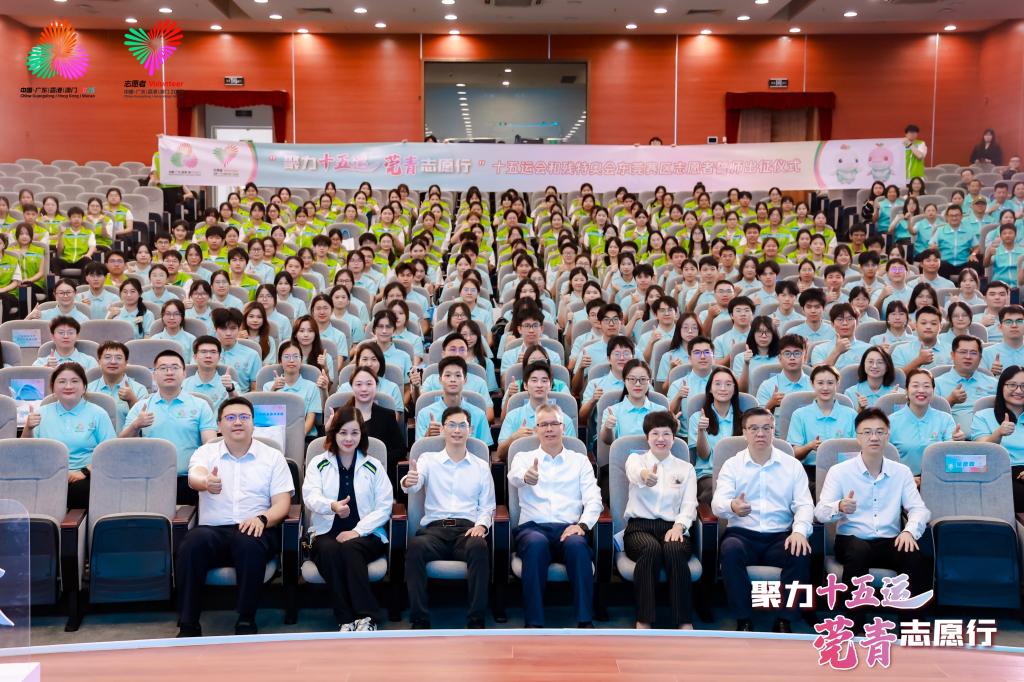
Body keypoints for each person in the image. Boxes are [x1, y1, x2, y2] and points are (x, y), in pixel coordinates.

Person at [176, 397, 293, 637]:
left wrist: (262, 519)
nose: (237, 422)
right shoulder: (206, 452)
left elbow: (282, 503)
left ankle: (246, 619)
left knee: (248, 542)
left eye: (243, 417)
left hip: (256, 527)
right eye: (230, 418)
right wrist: (206, 482)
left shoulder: (273, 457)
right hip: (213, 530)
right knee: (191, 543)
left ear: (253, 423)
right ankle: (188, 623)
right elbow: (195, 475)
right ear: (219, 425)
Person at [814, 408, 932, 632]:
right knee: (858, 551)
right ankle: (854, 623)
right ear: (857, 437)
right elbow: (820, 512)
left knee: (914, 555)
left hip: (889, 540)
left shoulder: (901, 472)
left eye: (880, 432)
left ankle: (912, 627)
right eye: (867, 432)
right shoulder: (840, 472)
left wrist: (909, 531)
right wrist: (839, 506)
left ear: (888, 435)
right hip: (851, 539)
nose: (874, 437)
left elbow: (919, 509)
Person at [712, 407, 813, 632]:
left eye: (766, 428)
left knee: (800, 551)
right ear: (744, 432)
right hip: (742, 534)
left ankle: (785, 620)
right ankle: (743, 619)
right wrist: (732, 505)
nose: (760, 433)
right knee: (730, 550)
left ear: (773, 431)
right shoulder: (732, 465)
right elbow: (718, 503)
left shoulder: (792, 465)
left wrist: (799, 531)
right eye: (754, 428)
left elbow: (805, 504)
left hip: (780, 536)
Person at [507, 403, 602, 628]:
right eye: (543, 425)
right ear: (536, 429)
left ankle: (584, 621)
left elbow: (594, 499)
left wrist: (582, 525)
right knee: (536, 544)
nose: (549, 429)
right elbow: (514, 477)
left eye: (554, 424)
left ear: (563, 427)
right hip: (533, 528)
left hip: (569, 527)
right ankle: (534, 623)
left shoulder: (579, 460)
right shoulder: (523, 457)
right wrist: (527, 477)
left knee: (577, 546)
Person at [401, 405, 495, 629]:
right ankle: (419, 618)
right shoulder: (428, 459)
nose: (457, 430)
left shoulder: (481, 466)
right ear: (443, 429)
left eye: (462, 425)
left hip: (467, 529)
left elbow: (488, 506)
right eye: (451, 425)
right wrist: (408, 481)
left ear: (470, 430)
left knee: (479, 547)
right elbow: (413, 484)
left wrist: (482, 526)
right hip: (434, 530)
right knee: (415, 547)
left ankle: (476, 618)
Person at [302, 407, 393, 632]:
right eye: (343, 432)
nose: (348, 438)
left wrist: (357, 531)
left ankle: (367, 617)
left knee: (351, 548)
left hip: (367, 534)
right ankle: (346, 619)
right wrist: (331, 506)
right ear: (334, 433)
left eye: (354, 433)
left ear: (362, 434)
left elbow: (384, 507)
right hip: (325, 532)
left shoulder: (373, 465)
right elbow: (310, 496)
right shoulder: (319, 463)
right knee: (330, 550)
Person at [623, 411, 697, 630]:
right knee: (650, 549)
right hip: (639, 527)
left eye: (666, 434)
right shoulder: (636, 460)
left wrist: (679, 526)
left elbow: (689, 504)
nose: (661, 439)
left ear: (674, 438)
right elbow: (634, 472)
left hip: (673, 527)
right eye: (655, 433)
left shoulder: (686, 468)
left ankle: (683, 620)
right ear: (647, 437)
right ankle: (644, 619)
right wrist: (645, 476)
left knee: (674, 550)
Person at [122, 350, 217, 504]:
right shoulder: (141, 407)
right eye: (163, 368)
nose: (169, 372)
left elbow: (210, 445)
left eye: (175, 367)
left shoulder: (200, 405)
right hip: (150, 479)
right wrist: (135, 425)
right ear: (154, 375)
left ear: (184, 373)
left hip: (190, 480)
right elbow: (122, 446)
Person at [22, 362, 116, 510]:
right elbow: (25, 452)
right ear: (53, 387)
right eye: (62, 381)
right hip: (47, 475)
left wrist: (84, 472)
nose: (68, 386)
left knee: (79, 491)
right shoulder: (41, 413)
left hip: (85, 475)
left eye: (74, 381)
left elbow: (111, 453)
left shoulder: (98, 414)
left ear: (84, 387)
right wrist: (28, 428)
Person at [787, 365, 858, 482]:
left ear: (837, 384)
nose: (825, 388)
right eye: (820, 383)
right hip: (810, 473)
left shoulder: (851, 414)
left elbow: (858, 451)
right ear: (812, 383)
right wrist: (809, 446)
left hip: (845, 472)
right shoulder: (799, 414)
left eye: (830, 383)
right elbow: (793, 454)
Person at [498, 361, 576, 462]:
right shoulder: (513, 416)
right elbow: (500, 454)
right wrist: (513, 438)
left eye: (544, 380)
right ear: (525, 385)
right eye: (534, 380)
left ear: (550, 385)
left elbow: (573, 457)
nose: (539, 385)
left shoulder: (564, 420)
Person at [889, 368, 962, 477]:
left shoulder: (945, 419)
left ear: (933, 390)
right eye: (915, 386)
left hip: (940, 480)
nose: (921, 390)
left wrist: (957, 442)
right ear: (906, 390)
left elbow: (952, 459)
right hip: (902, 481)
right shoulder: (891, 421)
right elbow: (886, 461)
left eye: (926, 386)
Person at [971, 365, 1024, 511]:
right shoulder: (983, 416)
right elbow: (980, 451)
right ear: (1001, 387)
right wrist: (998, 433)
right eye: (1012, 385)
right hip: (999, 472)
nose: (1019, 390)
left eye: (1023, 386)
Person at [689, 366, 743, 505]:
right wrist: (701, 431)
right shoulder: (697, 417)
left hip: (739, 475)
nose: (723, 388)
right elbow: (703, 455)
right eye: (717, 384)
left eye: (728, 384)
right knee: (716, 491)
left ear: (735, 389)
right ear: (710, 389)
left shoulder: (744, 419)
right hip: (709, 474)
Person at [415, 356, 492, 447]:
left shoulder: (479, 414)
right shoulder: (424, 414)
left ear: (465, 380)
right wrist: (428, 436)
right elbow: (418, 450)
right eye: (447, 375)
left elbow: (484, 450)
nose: (453, 379)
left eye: (458, 375)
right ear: (440, 380)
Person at [934, 335, 998, 432]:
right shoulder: (937, 383)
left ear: (980, 357)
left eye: (973, 353)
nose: (968, 357)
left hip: (991, 436)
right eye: (963, 352)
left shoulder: (993, 383)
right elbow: (931, 418)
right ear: (952, 355)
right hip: (953, 438)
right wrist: (951, 400)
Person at [264, 341, 323, 436]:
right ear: (280, 361)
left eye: (296, 356)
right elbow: (265, 419)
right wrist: (272, 392)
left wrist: (298, 438)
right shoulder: (268, 386)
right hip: (275, 436)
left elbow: (310, 418)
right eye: (286, 357)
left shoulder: (312, 387)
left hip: (304, 437)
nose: (291, 360)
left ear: (301, 360)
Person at [87, 341, 148, 431]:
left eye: (118, 358)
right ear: (99, 361)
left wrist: (132, 400)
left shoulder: (139, 389)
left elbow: (145, 428)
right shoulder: (88, 390)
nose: (113, 362)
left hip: (129, 439)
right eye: (107, 357)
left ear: (126, 362)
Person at [755, 335, 811, 411]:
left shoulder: (814, 385)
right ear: (779, 358)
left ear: (805, 357)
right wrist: (771, 404)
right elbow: (757, 416)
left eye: (797, 353)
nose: (792, 358)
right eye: (787, 353)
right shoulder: (767, 386)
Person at [213, 308, 262, 393]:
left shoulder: (252, 355)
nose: (228, 333)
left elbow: (255, 390)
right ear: (215, 329)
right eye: (223, 328)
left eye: (233, 328)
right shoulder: (206, 353)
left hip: (240, 399)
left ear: (239, 329)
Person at [33, 316, 98, 370]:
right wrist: (46, 370)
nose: (66, 336)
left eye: (70, 333)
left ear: (77, 336)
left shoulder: (89, 362)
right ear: (52, 336)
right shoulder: (40, 363)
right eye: (61, 332)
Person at [982, 305, 1024, 373]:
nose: (1014, 325)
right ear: (1000, 327)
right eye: (1008, 322)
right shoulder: (986, 353)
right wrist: (990, 374)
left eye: (1019, 321)